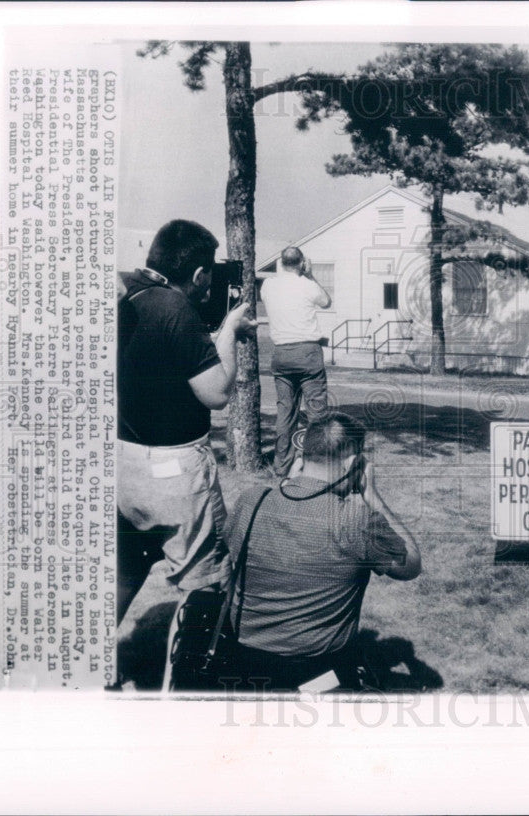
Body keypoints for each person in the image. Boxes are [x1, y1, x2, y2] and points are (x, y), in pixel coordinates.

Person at [116, 219, 256, 681]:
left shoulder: (130, 293)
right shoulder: (178, 311)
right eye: (208, 278)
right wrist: (231, 330)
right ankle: (190, 683)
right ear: (198, 276)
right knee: (209, 581)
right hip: (175, 472)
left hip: (122, 462)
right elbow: (216, 392)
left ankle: (89, 665)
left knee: (126, 568)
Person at [226, 412, 421, 691]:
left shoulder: (250, 501)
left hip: (242, 662)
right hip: (316, 671)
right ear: (354, 463)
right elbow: (411, 565)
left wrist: (290, 483)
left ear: (302, 458)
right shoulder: (355, 519)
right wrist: (373, 497)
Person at [259, 245, 332, 478]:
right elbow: (326, 302)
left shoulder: (268, 285)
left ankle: (282, 466)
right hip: (308, 352)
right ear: (302, 263)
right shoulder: (307, 285)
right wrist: (309, 275)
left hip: (281, 353)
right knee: (316, 412)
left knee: (285, 413)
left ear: (281, 263)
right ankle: (315, 466)